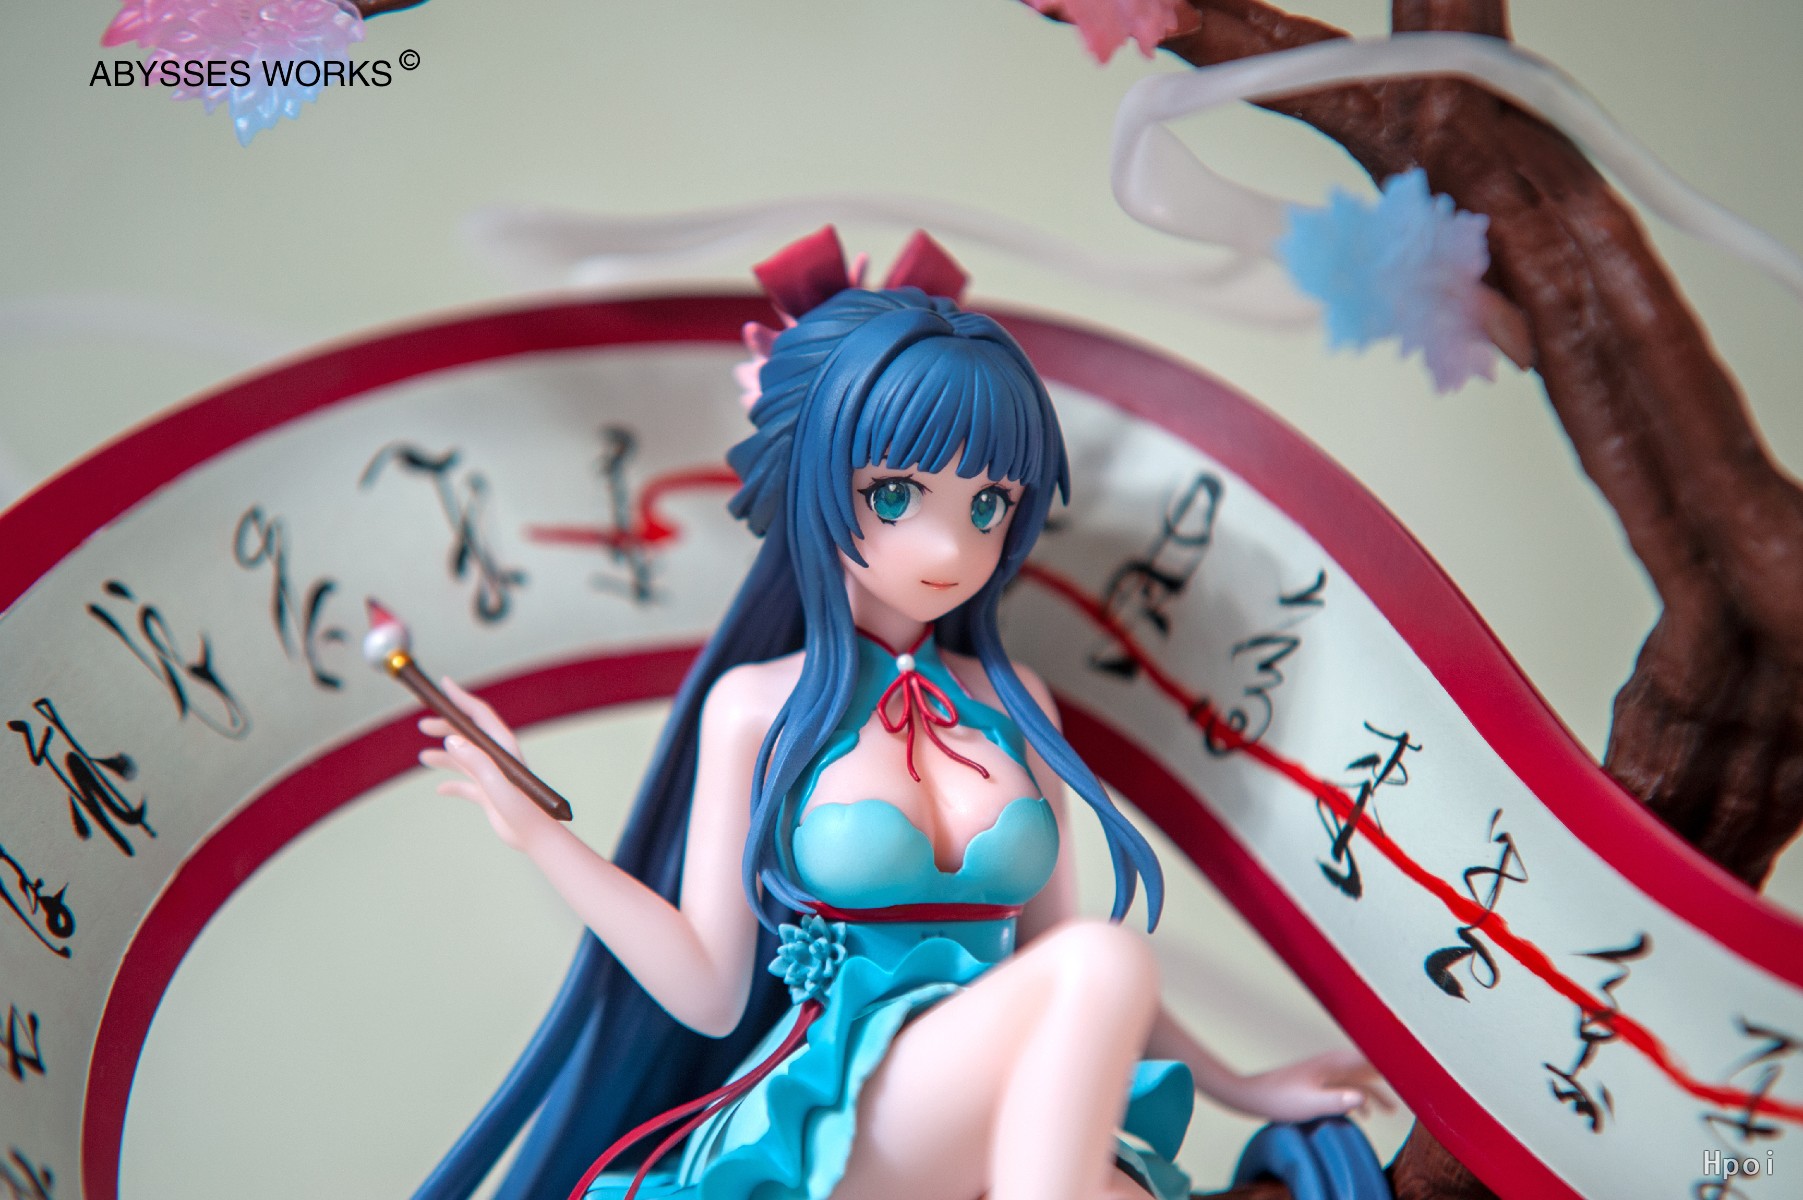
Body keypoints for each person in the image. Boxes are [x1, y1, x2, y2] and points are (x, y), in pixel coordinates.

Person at [415, 229, 1386, 1200]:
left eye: (987, 504)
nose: (949, 548)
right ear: (816, 480)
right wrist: (540, 835)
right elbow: (711, 991)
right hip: (844, 1115)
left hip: (1011, 1107)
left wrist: (1244, 1088)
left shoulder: (1013, 702)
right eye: (895, 495)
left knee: (1107, 1070)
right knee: (1105, 959)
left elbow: (1055, 963)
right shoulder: (755, 707)